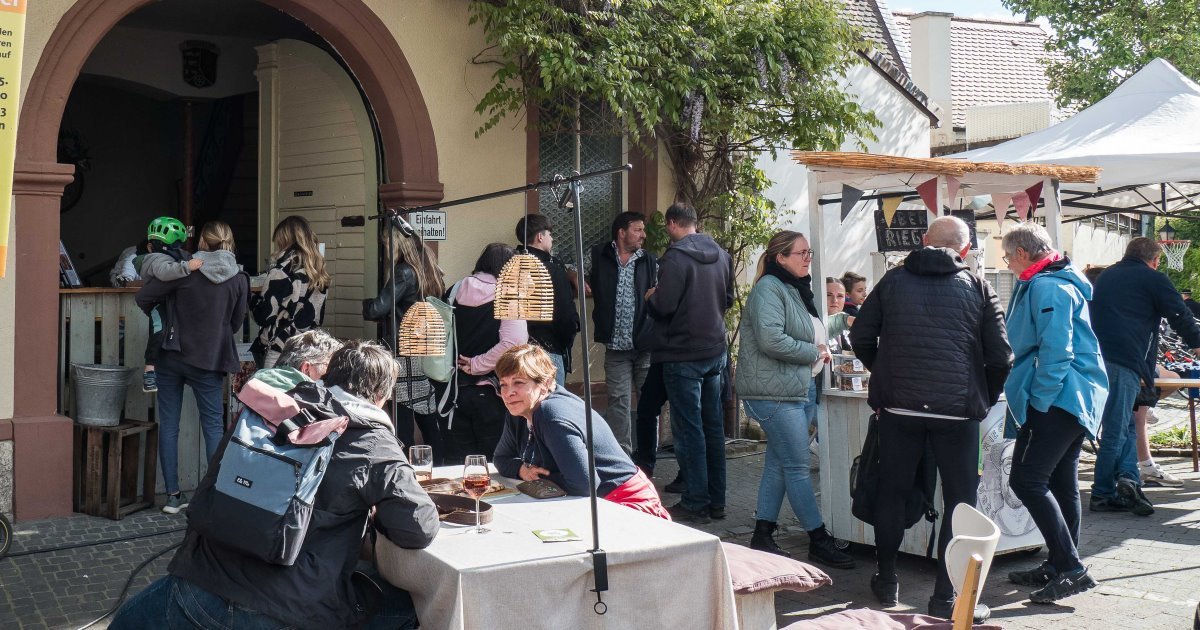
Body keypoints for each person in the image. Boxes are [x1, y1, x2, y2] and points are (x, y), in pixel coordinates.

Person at [111, 340, 440, 630]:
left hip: (198, 587)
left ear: (327, 377)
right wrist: (373, 514)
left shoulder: (271, 409)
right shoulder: (375, 443)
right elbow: (418, 528)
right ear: (382, 396)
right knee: (411, 608)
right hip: (290, 611)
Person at [850, 216, 1011, 621]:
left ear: (923, 242)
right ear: (964, 250)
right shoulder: (977, 287)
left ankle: (886, 581)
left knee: (892, 491)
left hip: (899, 410)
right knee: (960, 502)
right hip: (957, 414)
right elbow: (1001, 356)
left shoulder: (892, 280)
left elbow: (861, 336)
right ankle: (944, 595)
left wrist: (884, 373)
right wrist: (983, 396)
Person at [1000, 222, 1106, 604]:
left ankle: (1071, 568)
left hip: (1060, 399)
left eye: (1008, 255)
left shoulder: (1047, 285)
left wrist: (1039, 401)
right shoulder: (1055, 279)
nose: (1007, 262)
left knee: (1027, 480)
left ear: (1024, 254)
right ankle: (1062, 564)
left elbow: (1057, 352)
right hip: (1075, 398)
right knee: (1061, 481)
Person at [736, 231, 855, 569]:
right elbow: (772, 338)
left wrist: (843, 322)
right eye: (801, 253)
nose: (808, 258)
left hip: (794, 388)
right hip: (772, 392)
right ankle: (819, 540)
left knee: (778, 464)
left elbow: (809, 330)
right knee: (798, 468)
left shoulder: (794, 289)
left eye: (809, 252)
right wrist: (813, 352)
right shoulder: (768, 289)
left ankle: (762, 534)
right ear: (780, 258)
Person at [135, 221, 249, 514]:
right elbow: (236, 322)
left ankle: (173, 497)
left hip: (172, 356)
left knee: (169, 425)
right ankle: (212, 497)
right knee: (212, 427)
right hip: (209, 359)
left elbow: (143, 297)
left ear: (201, 241)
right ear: (229, 243)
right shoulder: (239, 279)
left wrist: (168, 317)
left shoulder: (187, 270)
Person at [1089, 237, 1200, 516]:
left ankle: (1129, 480)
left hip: (1099, 358)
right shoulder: (1152, 278)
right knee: (1116, 428)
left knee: (1125, 424)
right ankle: (1102, 493)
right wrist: (1197, 342)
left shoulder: (1107, 276)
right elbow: (1180, 314)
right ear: (1155, 260)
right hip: (1124, 359)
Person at [493, 344, 669, 519]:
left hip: (626, 505)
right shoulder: (520, 409)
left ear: (545, 383)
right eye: (503, 384)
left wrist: (542, 479)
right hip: (590, 503)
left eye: (519, 383)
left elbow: (585, 484)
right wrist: (523, 471)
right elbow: (501, 459)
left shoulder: (551, 415)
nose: (509, 393)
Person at [644, 202, 734, 525]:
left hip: (682, 353)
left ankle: (696, 502)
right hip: (715, 350)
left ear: (672, 224)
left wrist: (650, 298)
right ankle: (717, 501)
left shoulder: (676, 257)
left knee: (689, 429)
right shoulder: (722, 255)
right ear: (695, 222)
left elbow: (664, 305)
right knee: (713, 428)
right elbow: (728, 300)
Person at [363, 228, 446, 456]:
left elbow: (377, 308)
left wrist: (366, 303)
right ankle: (440, 466)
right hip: (426, 348)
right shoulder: (431, 270)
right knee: (427, 414)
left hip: (403, 350)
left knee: (403, 418)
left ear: (397, 245)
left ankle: (406, 471)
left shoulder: (404, 272)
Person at [446, 243, 529, 463]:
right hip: (492, 391)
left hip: (452, 391)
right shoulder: (508, 294)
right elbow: (514, 343)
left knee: (459, 465)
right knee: (494, 465)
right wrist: (477, 364)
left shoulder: (455, 289)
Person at [588, 211, 658, 455]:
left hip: (645, 345)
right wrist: (578, 280)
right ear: (621, 232)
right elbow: (572, 268)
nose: (643, 235)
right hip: (616, 347)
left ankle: (648, 457)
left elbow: (660, 293)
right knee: (618, 401)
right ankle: (623, 457)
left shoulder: (649, 260)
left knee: (648, 402)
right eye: (638, 230)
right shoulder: (599, 255)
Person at [252, 215, 330, 369]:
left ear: (284, 240)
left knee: (273, 392)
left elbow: (265, 316)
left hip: (280, 348)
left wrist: (252, 300)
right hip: (308, 349)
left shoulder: (281, 272)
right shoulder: (318, 272)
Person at [132, 217, 201, 393]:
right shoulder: (155, 259)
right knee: (159, 330)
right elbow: (165, 273)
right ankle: (149, 370)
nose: (177, 250)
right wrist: (187, 267)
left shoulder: (167, 257)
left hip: (170, 302)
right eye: (174, 246)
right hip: (157, 304)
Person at [515, 213, 579, 386]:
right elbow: (563, 314)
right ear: (540, 237)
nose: (552, 239)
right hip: (548, 348)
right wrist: (566, 339)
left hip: (516, 349)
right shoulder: (551, 270)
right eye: (550, 234)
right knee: (550, 404)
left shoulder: (510, 265)